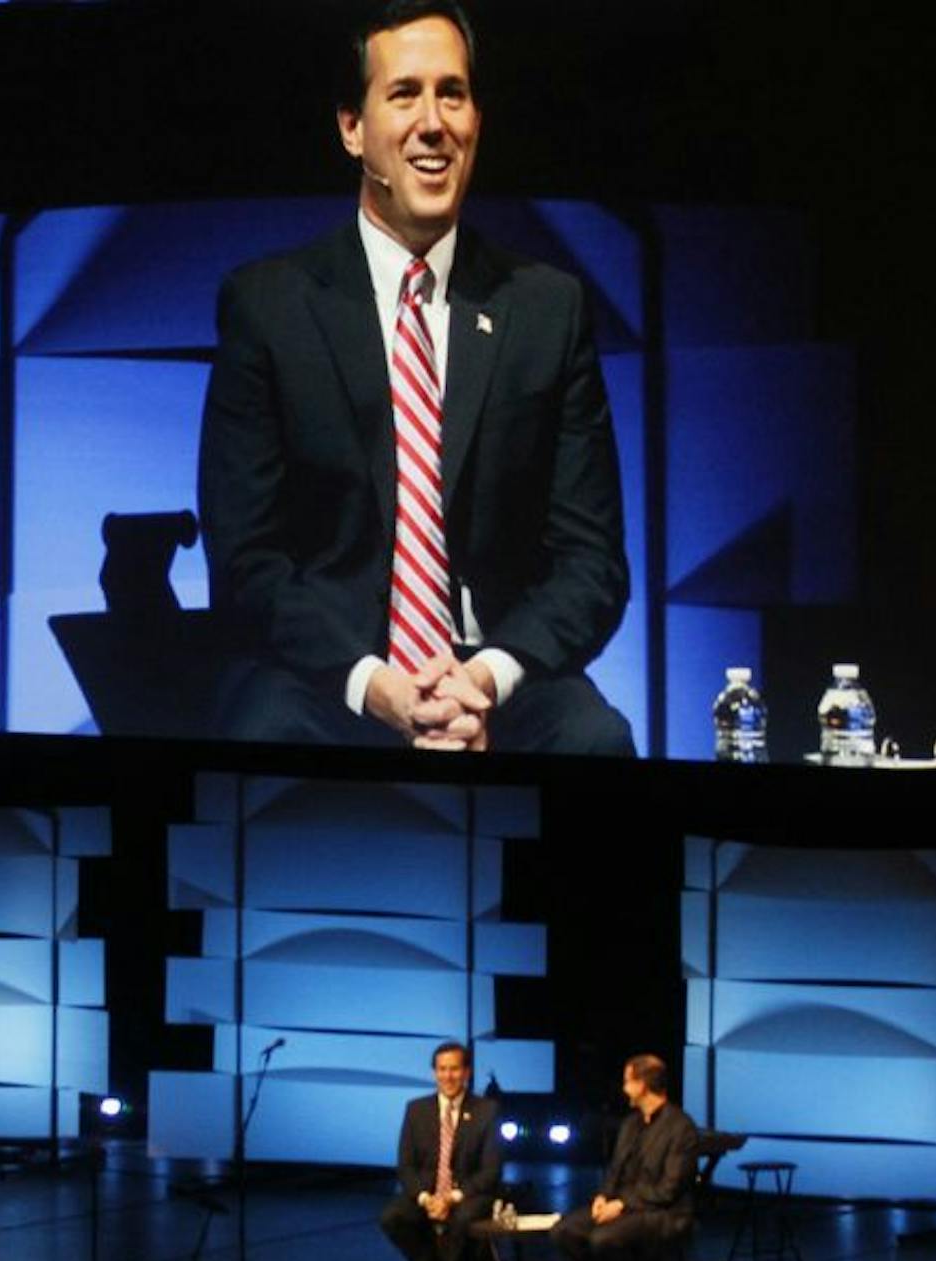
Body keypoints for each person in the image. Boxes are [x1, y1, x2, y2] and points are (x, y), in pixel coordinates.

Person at [198, 0, 633, 754]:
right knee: (263, 733)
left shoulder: (547, 309)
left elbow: (591, 564)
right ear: (352, 128)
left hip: (494, 675)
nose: (433, 123)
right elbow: (247, 561)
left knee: (596, 741)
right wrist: (376, 686)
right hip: (328, 678)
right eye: (404, 94)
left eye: (452, 94)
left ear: (476, 121)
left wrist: (484, 679)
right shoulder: (268, 306)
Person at [551, 1055, 699, 1261]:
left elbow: (668, 1189)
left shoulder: (681, 1128)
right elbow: (615, 1169)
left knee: (603, 1239)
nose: (624, 1089)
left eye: (627, 1082)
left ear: (642, 1085)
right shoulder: (630, 1124)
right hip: (625, 1206)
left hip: (663, 1212)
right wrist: (603, 1196)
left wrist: (622, 1204)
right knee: (564, 1231)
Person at [380, 1042, 501, 1261]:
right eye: (442, 1069)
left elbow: (491, 1171)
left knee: (463, 1218)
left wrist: (451, 1198)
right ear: (434, 1072)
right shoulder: (416, 1109)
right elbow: (405, 1166)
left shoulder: (486, 1110)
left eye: (454, 1069)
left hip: (467, 1194)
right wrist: (426, 1199)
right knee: (392, 1217)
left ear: (467, 1072)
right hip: (428, 1194)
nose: (448, 1076)